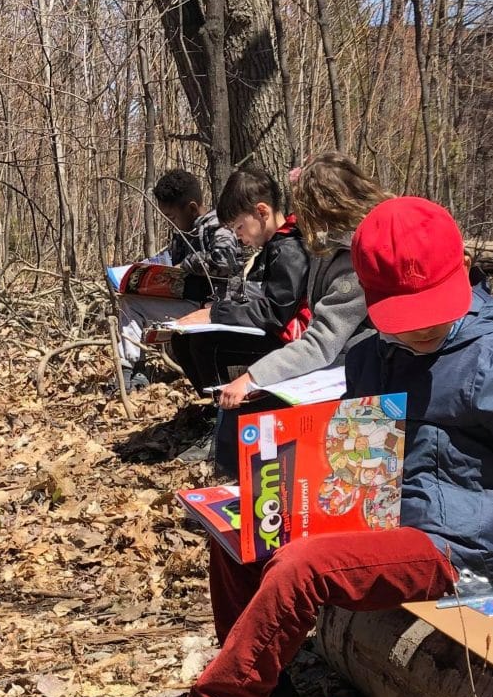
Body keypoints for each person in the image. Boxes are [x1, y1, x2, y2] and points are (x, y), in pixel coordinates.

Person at [113, 195, 493, 697]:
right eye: (403, 316)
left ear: (461, 271)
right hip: (371, 517)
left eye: (431, 313)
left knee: (300, 567)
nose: (419, 330)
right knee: (241, 535)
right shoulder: (372, 354)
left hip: (450, 547)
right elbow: (352, 446)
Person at [201, 152, 381, 476]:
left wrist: (253, 377)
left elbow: (321, 342)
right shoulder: (327, 248)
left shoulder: (355, 259)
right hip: (340, 362)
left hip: (359, 369)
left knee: (252, 405)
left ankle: (245, 485)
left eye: (304, 211)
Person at [167, 164, 311, 397]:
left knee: (205, 343)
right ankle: (211, 406)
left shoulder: (290, 248)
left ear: (262, 212)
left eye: (240, 227)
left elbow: (275, 313)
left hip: (291, 341)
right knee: (183, 340)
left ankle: (222, 410)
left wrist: (217, 314)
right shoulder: (273, 246)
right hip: (273, 331)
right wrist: (219, 309)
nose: (239, 237)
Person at [115, 170, 243, 391]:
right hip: (189, 301)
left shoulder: (217, 226)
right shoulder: (183, 233)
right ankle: (131, 368)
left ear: (191, 208)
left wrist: (185, 265)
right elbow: (169, 261)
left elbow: (224, 261)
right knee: (130, 303)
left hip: (218, 307)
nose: (171, 223)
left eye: (173, 217)